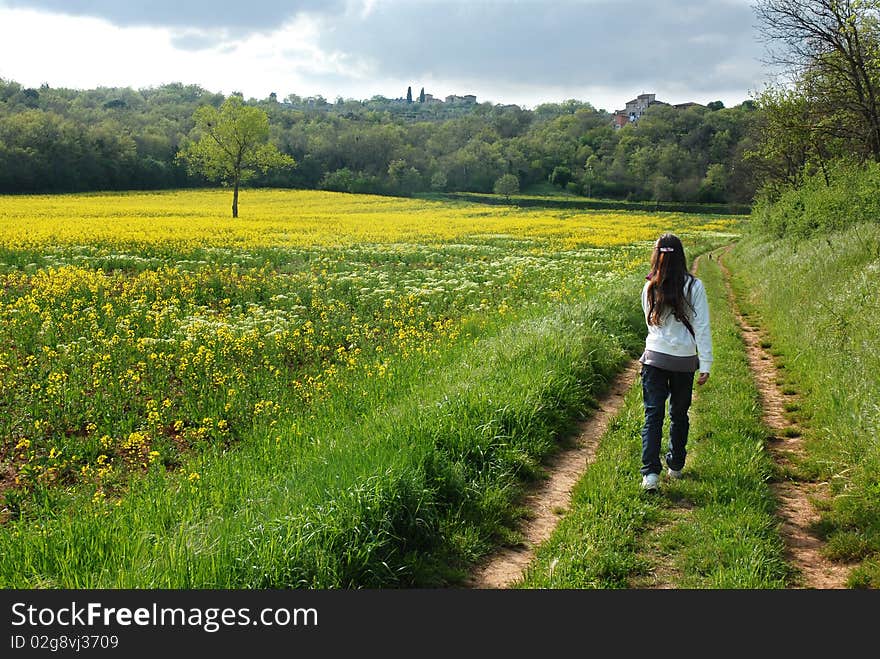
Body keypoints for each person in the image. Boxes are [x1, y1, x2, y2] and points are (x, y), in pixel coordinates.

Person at [639, 233, 712, 491]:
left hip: (654, 359)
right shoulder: (695, 287)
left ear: (656, 256)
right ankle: (676, 465)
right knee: (679, 414)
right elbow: (701, 327)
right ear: (682, 256)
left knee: (653, 415)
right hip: (684, 361)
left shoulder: (649, 287)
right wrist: (705, 363)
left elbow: (650, 324)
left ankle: (650, 475)